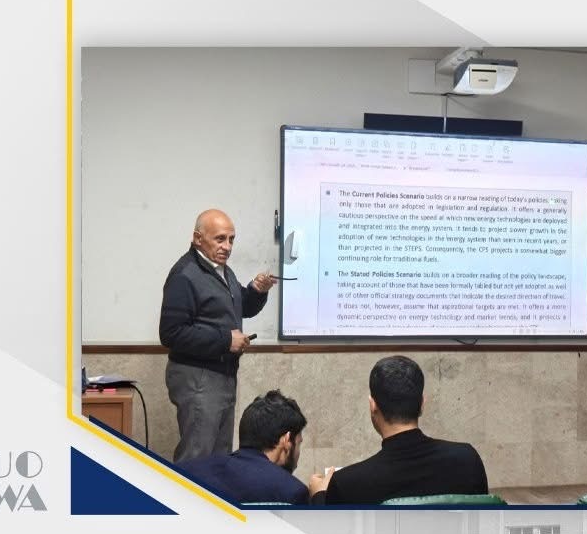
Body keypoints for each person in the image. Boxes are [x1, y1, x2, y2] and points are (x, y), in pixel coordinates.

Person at [160, 209, 277, 463]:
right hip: (198, 378)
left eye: (231, 239)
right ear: (198, 238)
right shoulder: (184, 274)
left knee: (219, 459)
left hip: (222, 375)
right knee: (197, 458)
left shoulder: (222, 270)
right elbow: (171, 333)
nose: (227, 246)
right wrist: (226, 340)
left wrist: (256, 291)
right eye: (220, 239)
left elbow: (240, 307)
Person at [309, 355, 489, 504]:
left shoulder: (347, 484)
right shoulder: (468, 460)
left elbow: (329, 533)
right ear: (422, 404)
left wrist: (319, 496)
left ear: (373, 406)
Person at [179, 390, 309, 504]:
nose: (298, 454)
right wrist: (318, 496)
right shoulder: (291, 492)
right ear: (286, 441)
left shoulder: (182, 474)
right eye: (299, 443)